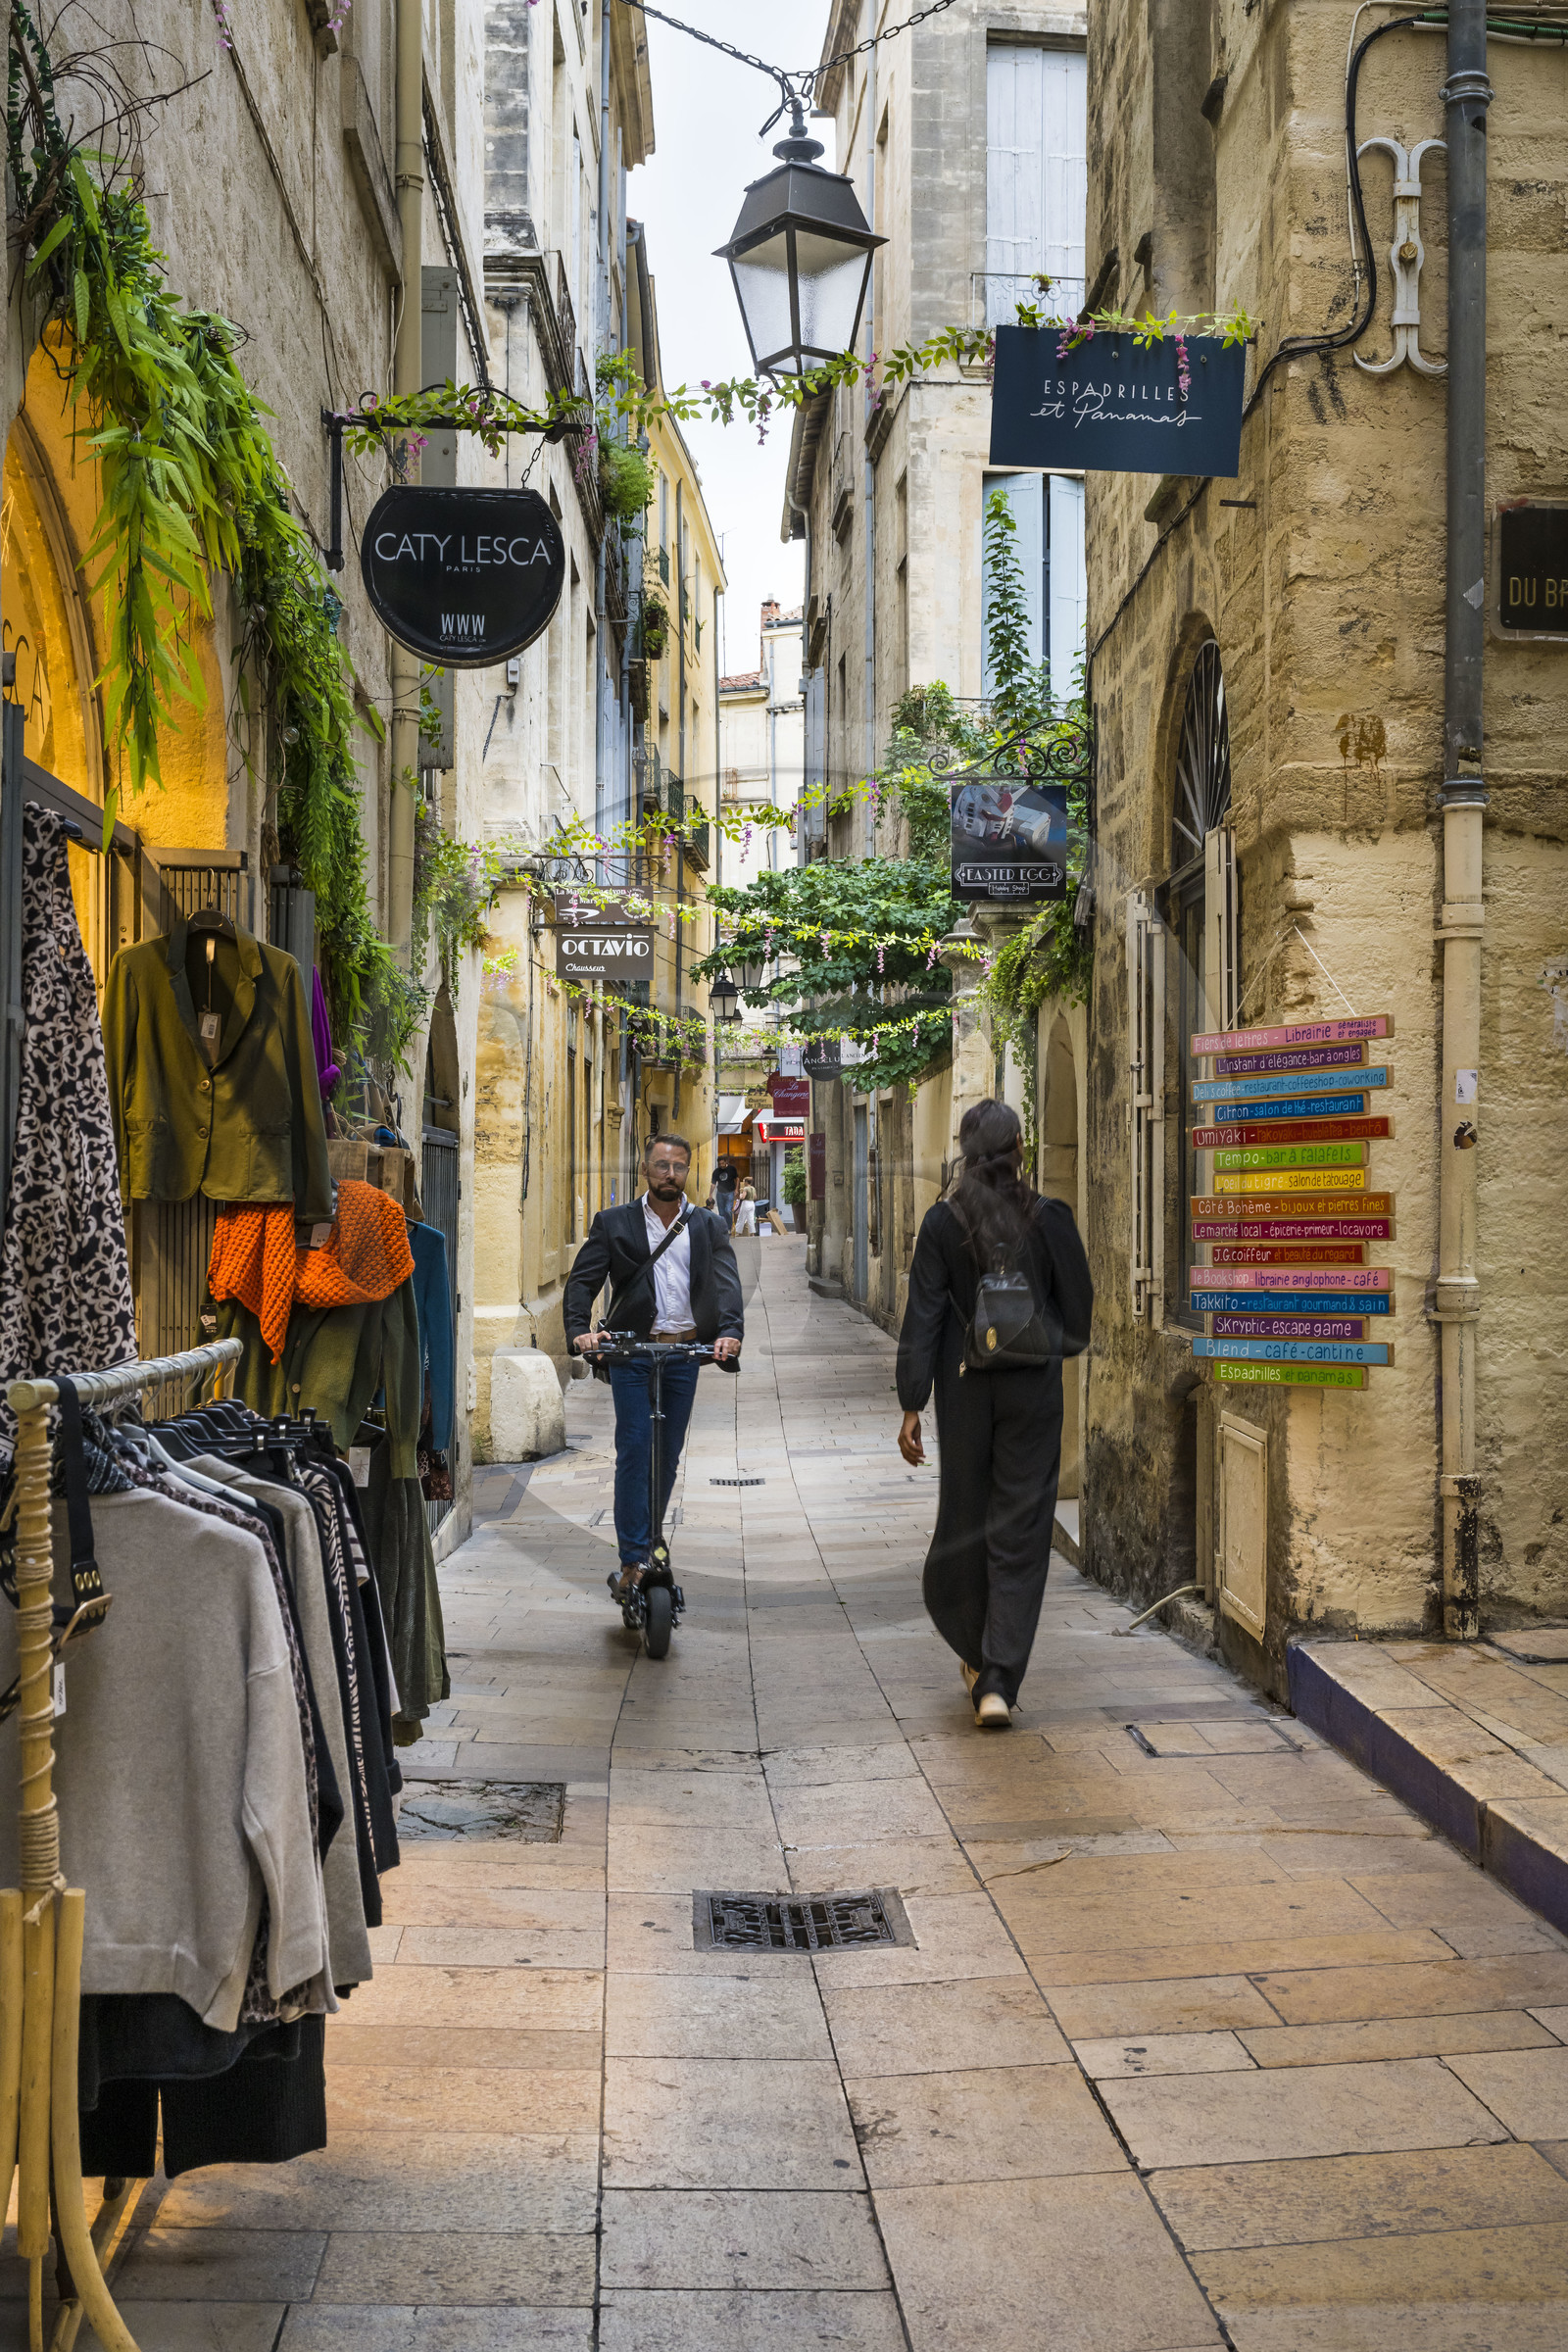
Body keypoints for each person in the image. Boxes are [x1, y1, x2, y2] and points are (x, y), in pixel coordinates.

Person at [896, 1099, 1092, 1729]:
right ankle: (998, 1681)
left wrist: (910, 1404)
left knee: (966, 1518)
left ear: (964, 1151)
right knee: (1021, 1529)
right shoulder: (1051, 1218)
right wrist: (1035, 1342)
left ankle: (977, 1657)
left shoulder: (941, 1224)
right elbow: (1080, 1320)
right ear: (1020, 1150)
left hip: (964, 1394)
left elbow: (923, 1316)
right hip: (1034, 1394)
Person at [564, 1133, 743, 1599]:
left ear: (688, 1172)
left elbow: (726, 1284)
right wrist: (579, 1332)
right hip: (631, 1353)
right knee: (635, 1448)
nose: (670, 1174)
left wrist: (729, 1331)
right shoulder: (614, 1223)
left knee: (666, 1454)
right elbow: (582, 1283)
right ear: (645, 1169)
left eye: (678, 1167)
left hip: (684, 1354)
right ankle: (633, 1559)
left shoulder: (706, 1224)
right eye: (661, 1165)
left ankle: (648, 1542)